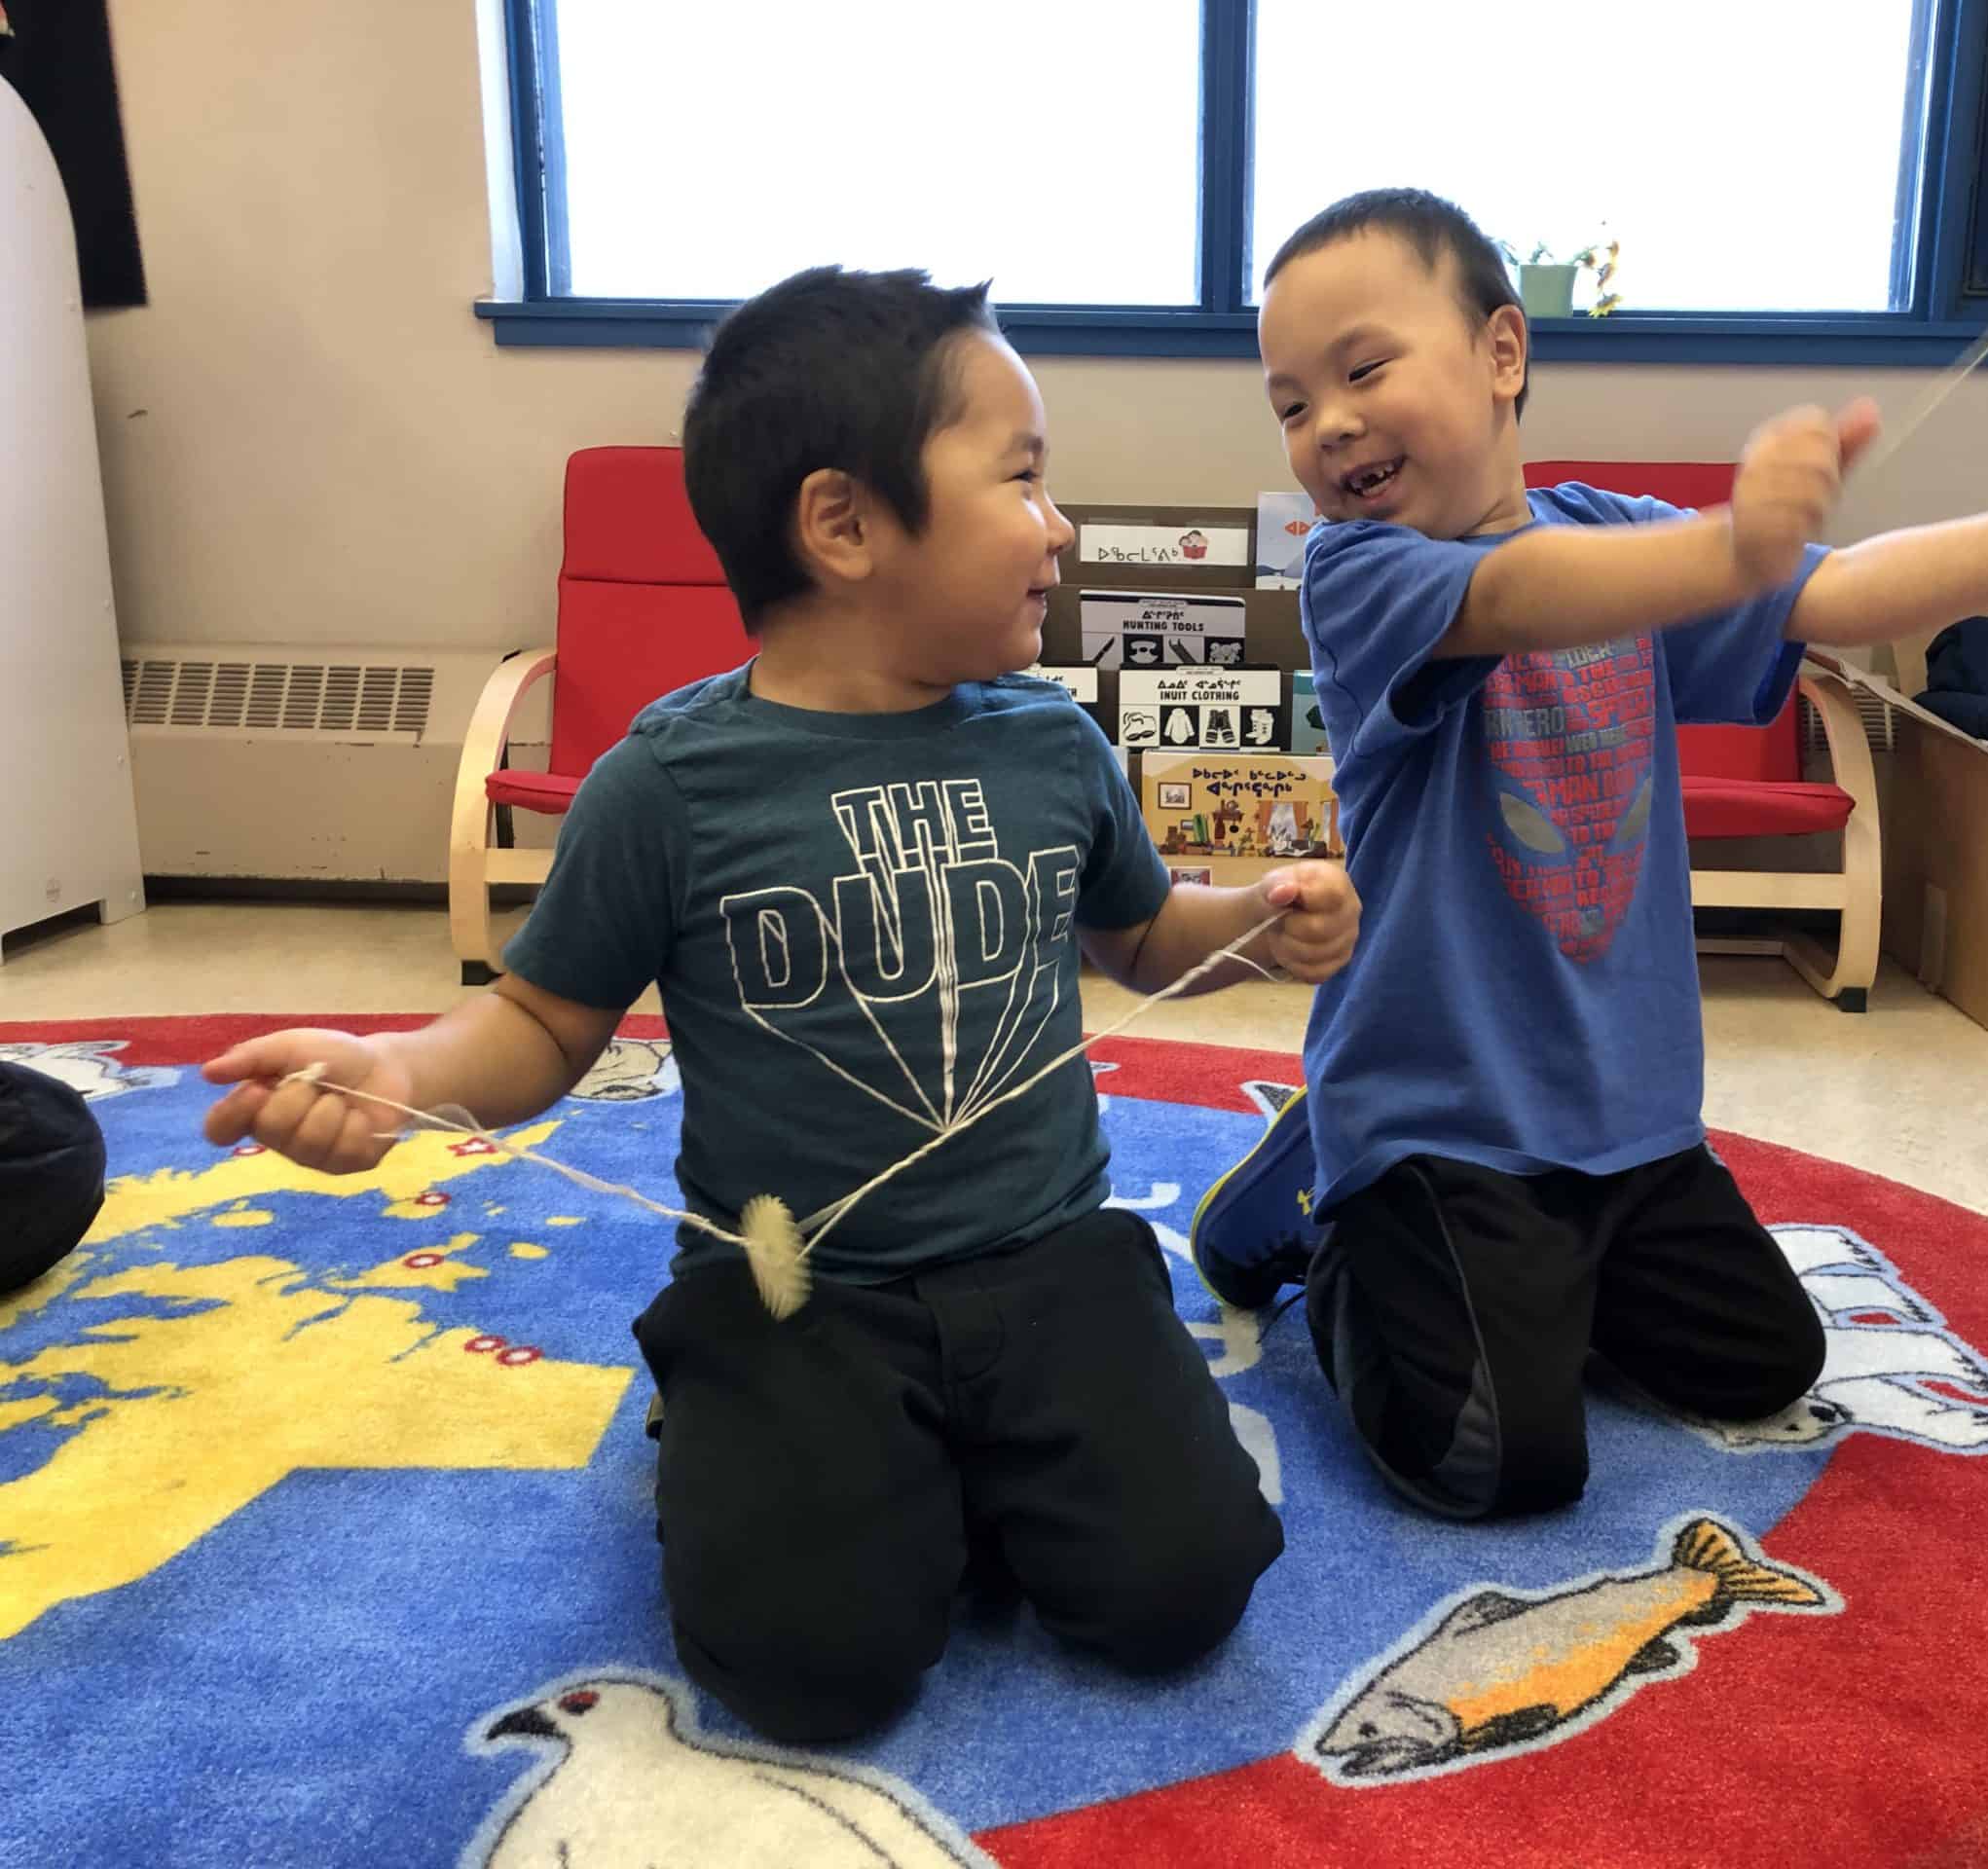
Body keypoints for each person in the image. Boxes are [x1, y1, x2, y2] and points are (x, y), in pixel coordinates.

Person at [200, 265, 1360, 1741]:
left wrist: (1256, 926)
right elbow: (545, 1024)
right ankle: (745, 1412)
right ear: (846, 523)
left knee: (1180, 1594)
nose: (1057, 526)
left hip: (1050, 1260)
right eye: (1023, 478)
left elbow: (1139, 935)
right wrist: (400, 1067)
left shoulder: (1054, 745)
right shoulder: (668, 785)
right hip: (801, 1288)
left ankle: (945, 1462)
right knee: (813, 1670)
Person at [1192, 187, 1988, 1520]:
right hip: (1437, 1123)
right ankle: (1331, 1195)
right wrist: (1729, 545)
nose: (1327, 424)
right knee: (1498, 1459)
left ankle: (1516, 1268)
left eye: (1364, 369)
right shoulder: (1361, 573)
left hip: (1625, 1130)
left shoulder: (1623, 537)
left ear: (1504, 352)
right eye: (1290, 403)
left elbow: (1841, 592)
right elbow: (1517, 597)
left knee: (1766, 1366)